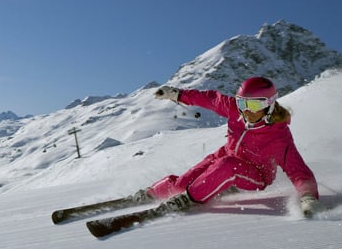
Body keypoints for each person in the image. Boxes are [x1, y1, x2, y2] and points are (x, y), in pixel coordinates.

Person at [136, 76, 319, 215]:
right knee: (183, 183)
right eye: (242, 103)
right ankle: (151, 194)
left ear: (269, 105)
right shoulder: (235, 110)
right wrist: (177, 94)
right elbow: (209, 99)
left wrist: (308, 196)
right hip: (225, 156)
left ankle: (187, 200)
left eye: (254, 105)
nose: (246, 111)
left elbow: (298, 170)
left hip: (257, 174)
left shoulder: (279, 137)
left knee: (228, 167)